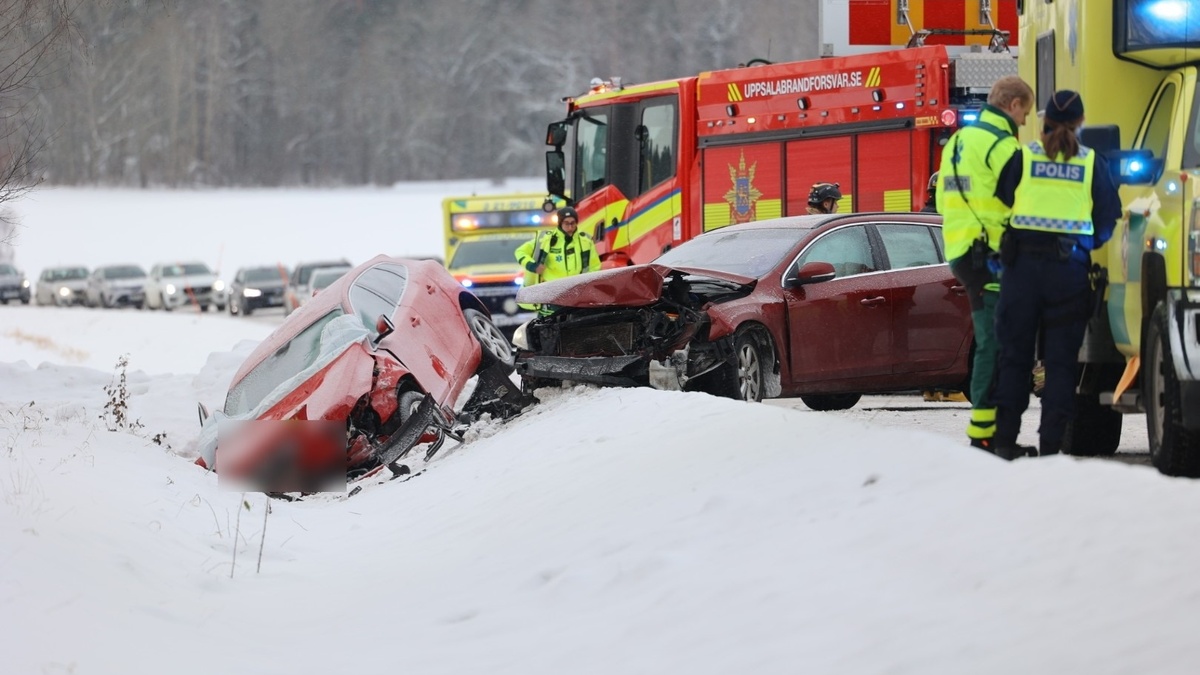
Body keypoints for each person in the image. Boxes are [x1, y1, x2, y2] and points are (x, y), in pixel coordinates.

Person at [989, 89, 1121, 460]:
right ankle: (1050, 450)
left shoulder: (1024, 157)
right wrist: (1085, 245)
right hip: (1068, 273)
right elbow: (1109, 217)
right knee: (1061, 365)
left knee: (1015, 358)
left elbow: (1000, 201)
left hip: (1021, 273)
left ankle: (1004, 443)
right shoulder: (1092, 162)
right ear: (1080, 124)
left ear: (1044, 121)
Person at [935, 75, 1035, 453]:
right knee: (996, 344)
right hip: (990, 255)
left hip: (963, 252)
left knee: (991, 341)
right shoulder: (1003, 145)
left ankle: (987, 434)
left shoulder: (959, 140)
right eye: (1024, 111)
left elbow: (944, 202)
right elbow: (1021, 203)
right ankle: (986, 438)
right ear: (1012, 105)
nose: (1025, 120)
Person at [515, 206, 600, 314]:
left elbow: (594, 267)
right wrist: (532, 265)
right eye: (566, 223)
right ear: (560, 223)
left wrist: (587, 288)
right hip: (551, 295)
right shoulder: (546, 239)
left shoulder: (586, 241)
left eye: (573, 223)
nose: (570, 227)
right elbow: (520, 252)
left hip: (576, 295)